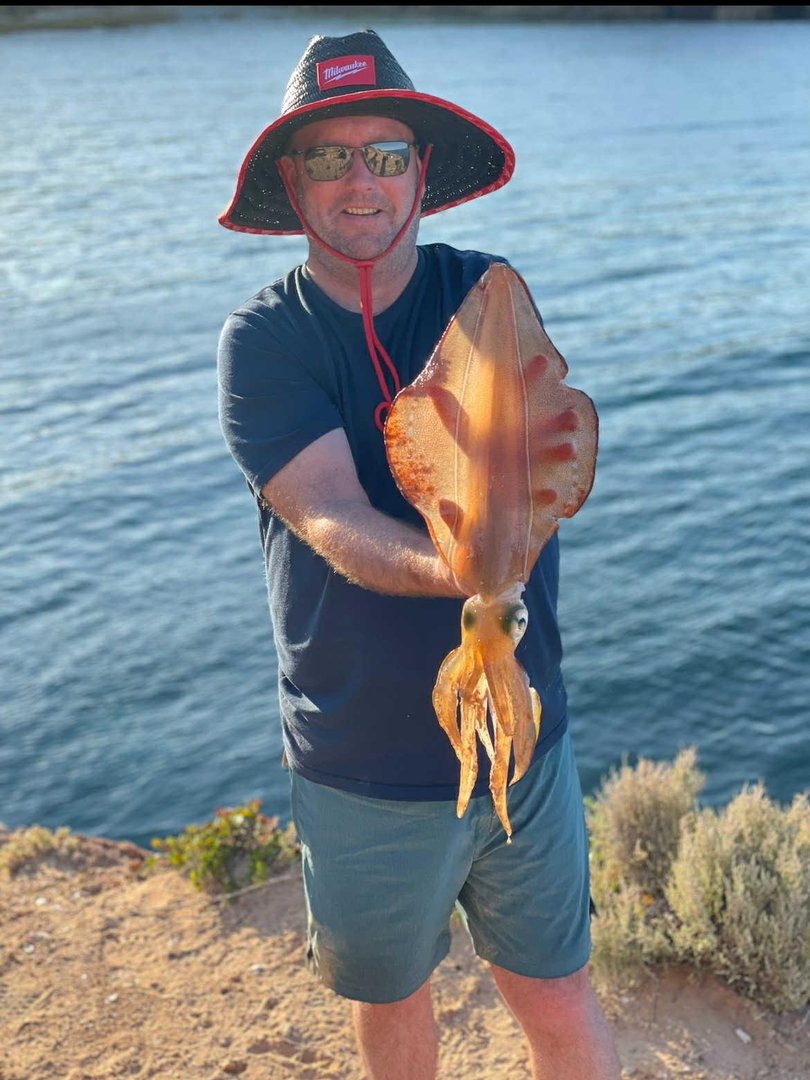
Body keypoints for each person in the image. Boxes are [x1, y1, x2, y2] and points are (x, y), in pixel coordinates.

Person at [217, 28, 621, 1080]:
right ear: (290, 182)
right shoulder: (265, 342)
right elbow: (329, 515)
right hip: (361, 759)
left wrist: (505, 569)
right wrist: (467, 577)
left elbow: (542, 451)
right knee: (394, 1005)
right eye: (330, 156)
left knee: (557, 987)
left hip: (526, 746)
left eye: (385, 155)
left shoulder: (484, 290)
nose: (362, 184)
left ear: (422, 173)